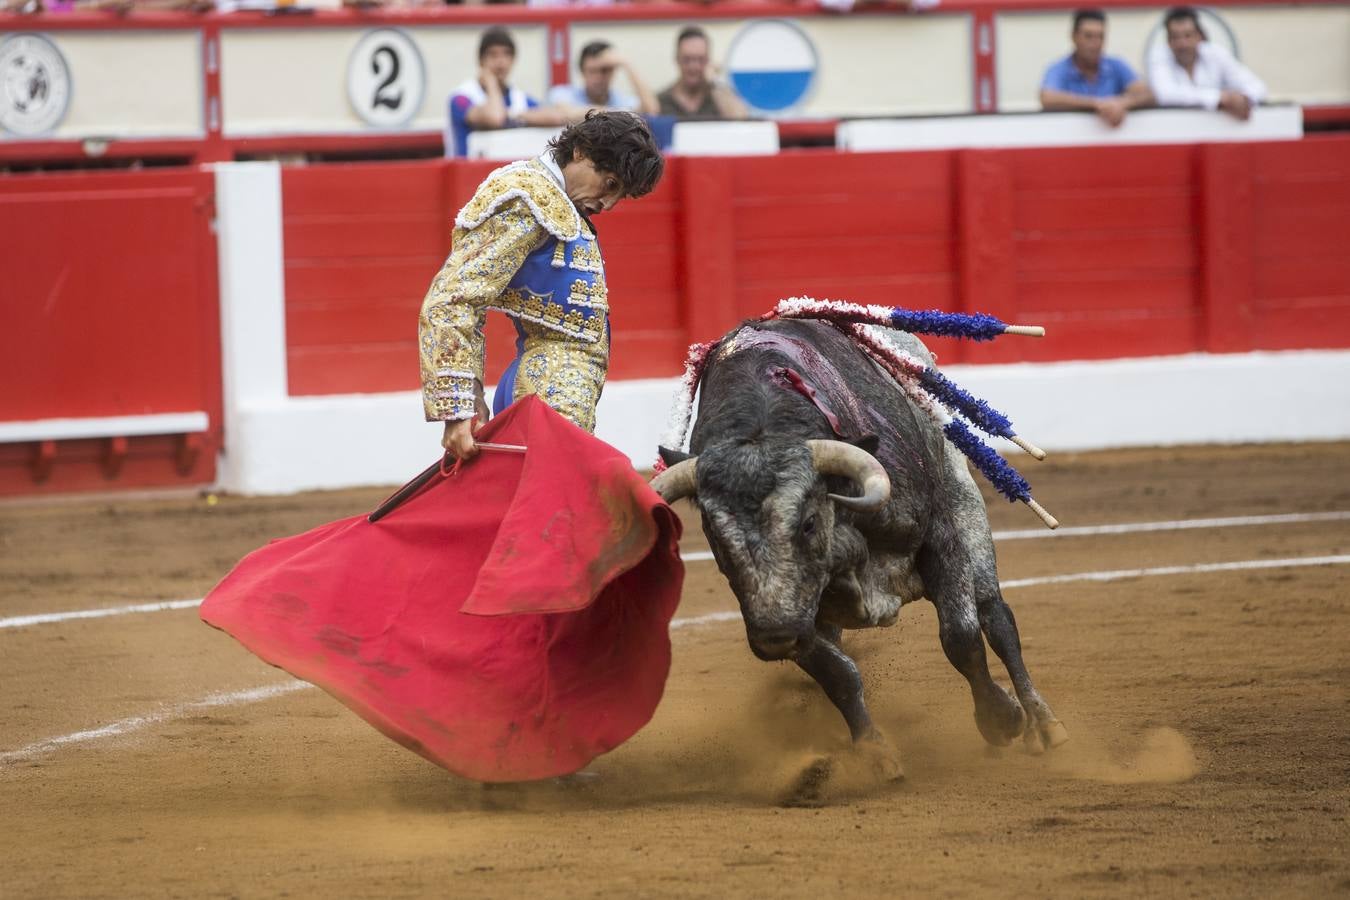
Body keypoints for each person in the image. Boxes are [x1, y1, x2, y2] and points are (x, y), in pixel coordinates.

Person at [420, 110, 665, 460]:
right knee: (557, 503)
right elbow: (454, 298)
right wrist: (460, 408)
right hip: (545, 391)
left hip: (545, 387)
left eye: (619, 195)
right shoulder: (529, 198)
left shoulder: (554, 202)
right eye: (609, 184)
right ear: (580, 151)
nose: (608, 205)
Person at [446, 27, 572, 158]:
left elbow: (557, 117)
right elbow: (495, 118)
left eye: (506, 54)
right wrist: (491, 82)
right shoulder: (461, 97)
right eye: (493, 55)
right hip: (464, 172)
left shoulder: (519, 97)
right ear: (481, 60)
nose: (500, 61)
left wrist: (512, 114)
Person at [1148, 6, 1267, 120]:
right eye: (1175, 37)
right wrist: (1220, 99)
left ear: (1199, 36)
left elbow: (1258, 87)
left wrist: (1242, 100)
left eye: (1188, 35)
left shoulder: (1216, 54)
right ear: (1168, 41)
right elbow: (1165, 95)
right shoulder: (1159, 56)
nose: (1182, 43)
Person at [1039, 9, 1152, 127]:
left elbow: (1147, 94)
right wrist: (1097, 104)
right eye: (1088, 36)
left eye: (1100, 37)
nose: (1095, 43)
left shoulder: (1116, 65)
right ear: (1074, 37)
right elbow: (1048, 98)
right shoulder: (1059, 69)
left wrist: (1121, 103)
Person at [656, 26, 748, 120]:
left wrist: (714, 82)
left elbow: (740, 119)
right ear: (677, 59)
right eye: (687, 59)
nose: (694, 66)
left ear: (708, 60)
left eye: (700, 59)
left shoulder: (718, 95)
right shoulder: (661, 101)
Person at [547, 40, 660, 117]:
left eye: (604, 71)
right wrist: (620, 114)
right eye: (592, 71)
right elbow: (565, 113)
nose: (598, 77)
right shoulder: (562, 93)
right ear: (582, 72)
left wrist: (626, 63)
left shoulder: (621, 99)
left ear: (613, 72)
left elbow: (652, 110)